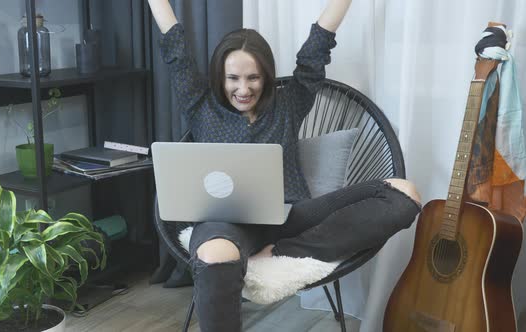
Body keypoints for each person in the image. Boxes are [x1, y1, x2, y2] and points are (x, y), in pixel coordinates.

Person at [147, 0, 422, 331]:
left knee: (404, 194)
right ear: (220, 76)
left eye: (253, 78)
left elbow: (317, 46)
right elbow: (175, 47)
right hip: (225, 222)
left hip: (292, 217)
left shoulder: (289, 103)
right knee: (214, 254)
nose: (243, 88)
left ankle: (281, 251)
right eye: (233, 78)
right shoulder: (200, 104)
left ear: (266, 76)